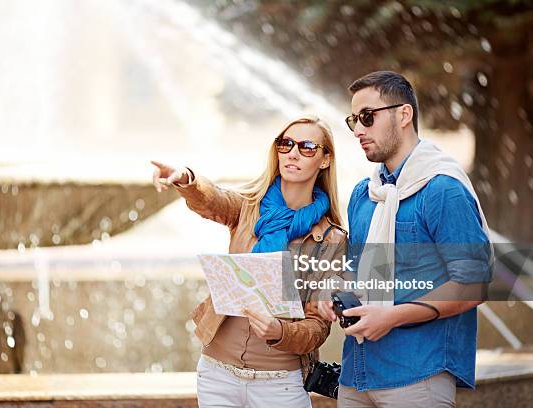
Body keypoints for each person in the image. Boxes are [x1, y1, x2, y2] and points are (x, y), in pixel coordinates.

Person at [318, 71, 493, 407]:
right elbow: (360, 274)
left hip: (418, 374)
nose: (358, 130)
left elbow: (473, 284)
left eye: (367, 117)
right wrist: (333, 291)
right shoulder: (364, 194)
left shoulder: (443, 189)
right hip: (357, 374)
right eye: (354, 120)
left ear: (404, 114)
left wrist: (392, 316)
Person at [152, 116, 348, 407]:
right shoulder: (248, 208)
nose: (293, 153)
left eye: (307, 147)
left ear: (324, 159)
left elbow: (318, 327)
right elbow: (213, 200)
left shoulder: (331, 239)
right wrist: (186, 179)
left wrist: (279, 332)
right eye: (286, 144)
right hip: (217, 375)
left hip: (280, 384)